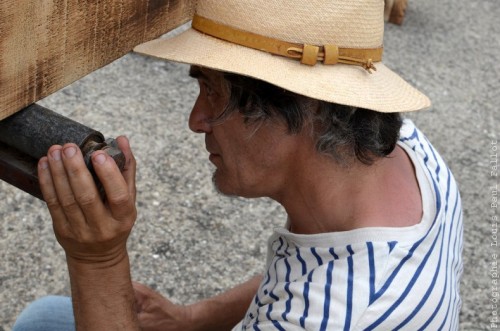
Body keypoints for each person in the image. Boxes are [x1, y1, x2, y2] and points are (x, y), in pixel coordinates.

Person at [13, 0, 463, 330]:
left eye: (213, 91)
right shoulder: (406, 150)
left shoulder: (339, 318)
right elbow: (309, 271)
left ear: (307, 107)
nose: (195, 120)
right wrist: (192, 319)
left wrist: (98, 259)